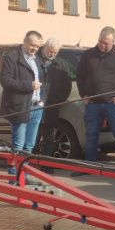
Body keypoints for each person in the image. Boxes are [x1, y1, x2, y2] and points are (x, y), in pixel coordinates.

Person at [75, 26, 115, 172]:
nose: (102, 45)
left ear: (113, 42)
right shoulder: (88, 55)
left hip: (113, 104)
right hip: (93, 104)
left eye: (106, 43)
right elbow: (80, 76)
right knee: (91, 136)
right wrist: (83, 94)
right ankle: (89, 167)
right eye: (101, 41)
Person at [0, 30, 44, 153]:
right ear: (24, 41)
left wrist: (42, 101)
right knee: (19, 144)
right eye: (32, 45)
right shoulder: (12, 58)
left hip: (36, 107)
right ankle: (15, 170)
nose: (34, 48)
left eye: (37, 46)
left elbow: (43, 81)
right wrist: (28, 85)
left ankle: (24, 170)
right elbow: (5, 81)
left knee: (30, 145)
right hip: (20, 107)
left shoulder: (37, 60)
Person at [38, 38, 72, 168]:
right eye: (50, 51)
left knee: (48, 137)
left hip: (51, 106)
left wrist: (57, 100)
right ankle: (26, 164)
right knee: (30, 137)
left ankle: (45, 165)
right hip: (34, 105)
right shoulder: (35, 60)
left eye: (55, 52)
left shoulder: (61, 64)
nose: (52, 54)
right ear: (44, 48)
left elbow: (67, 86)